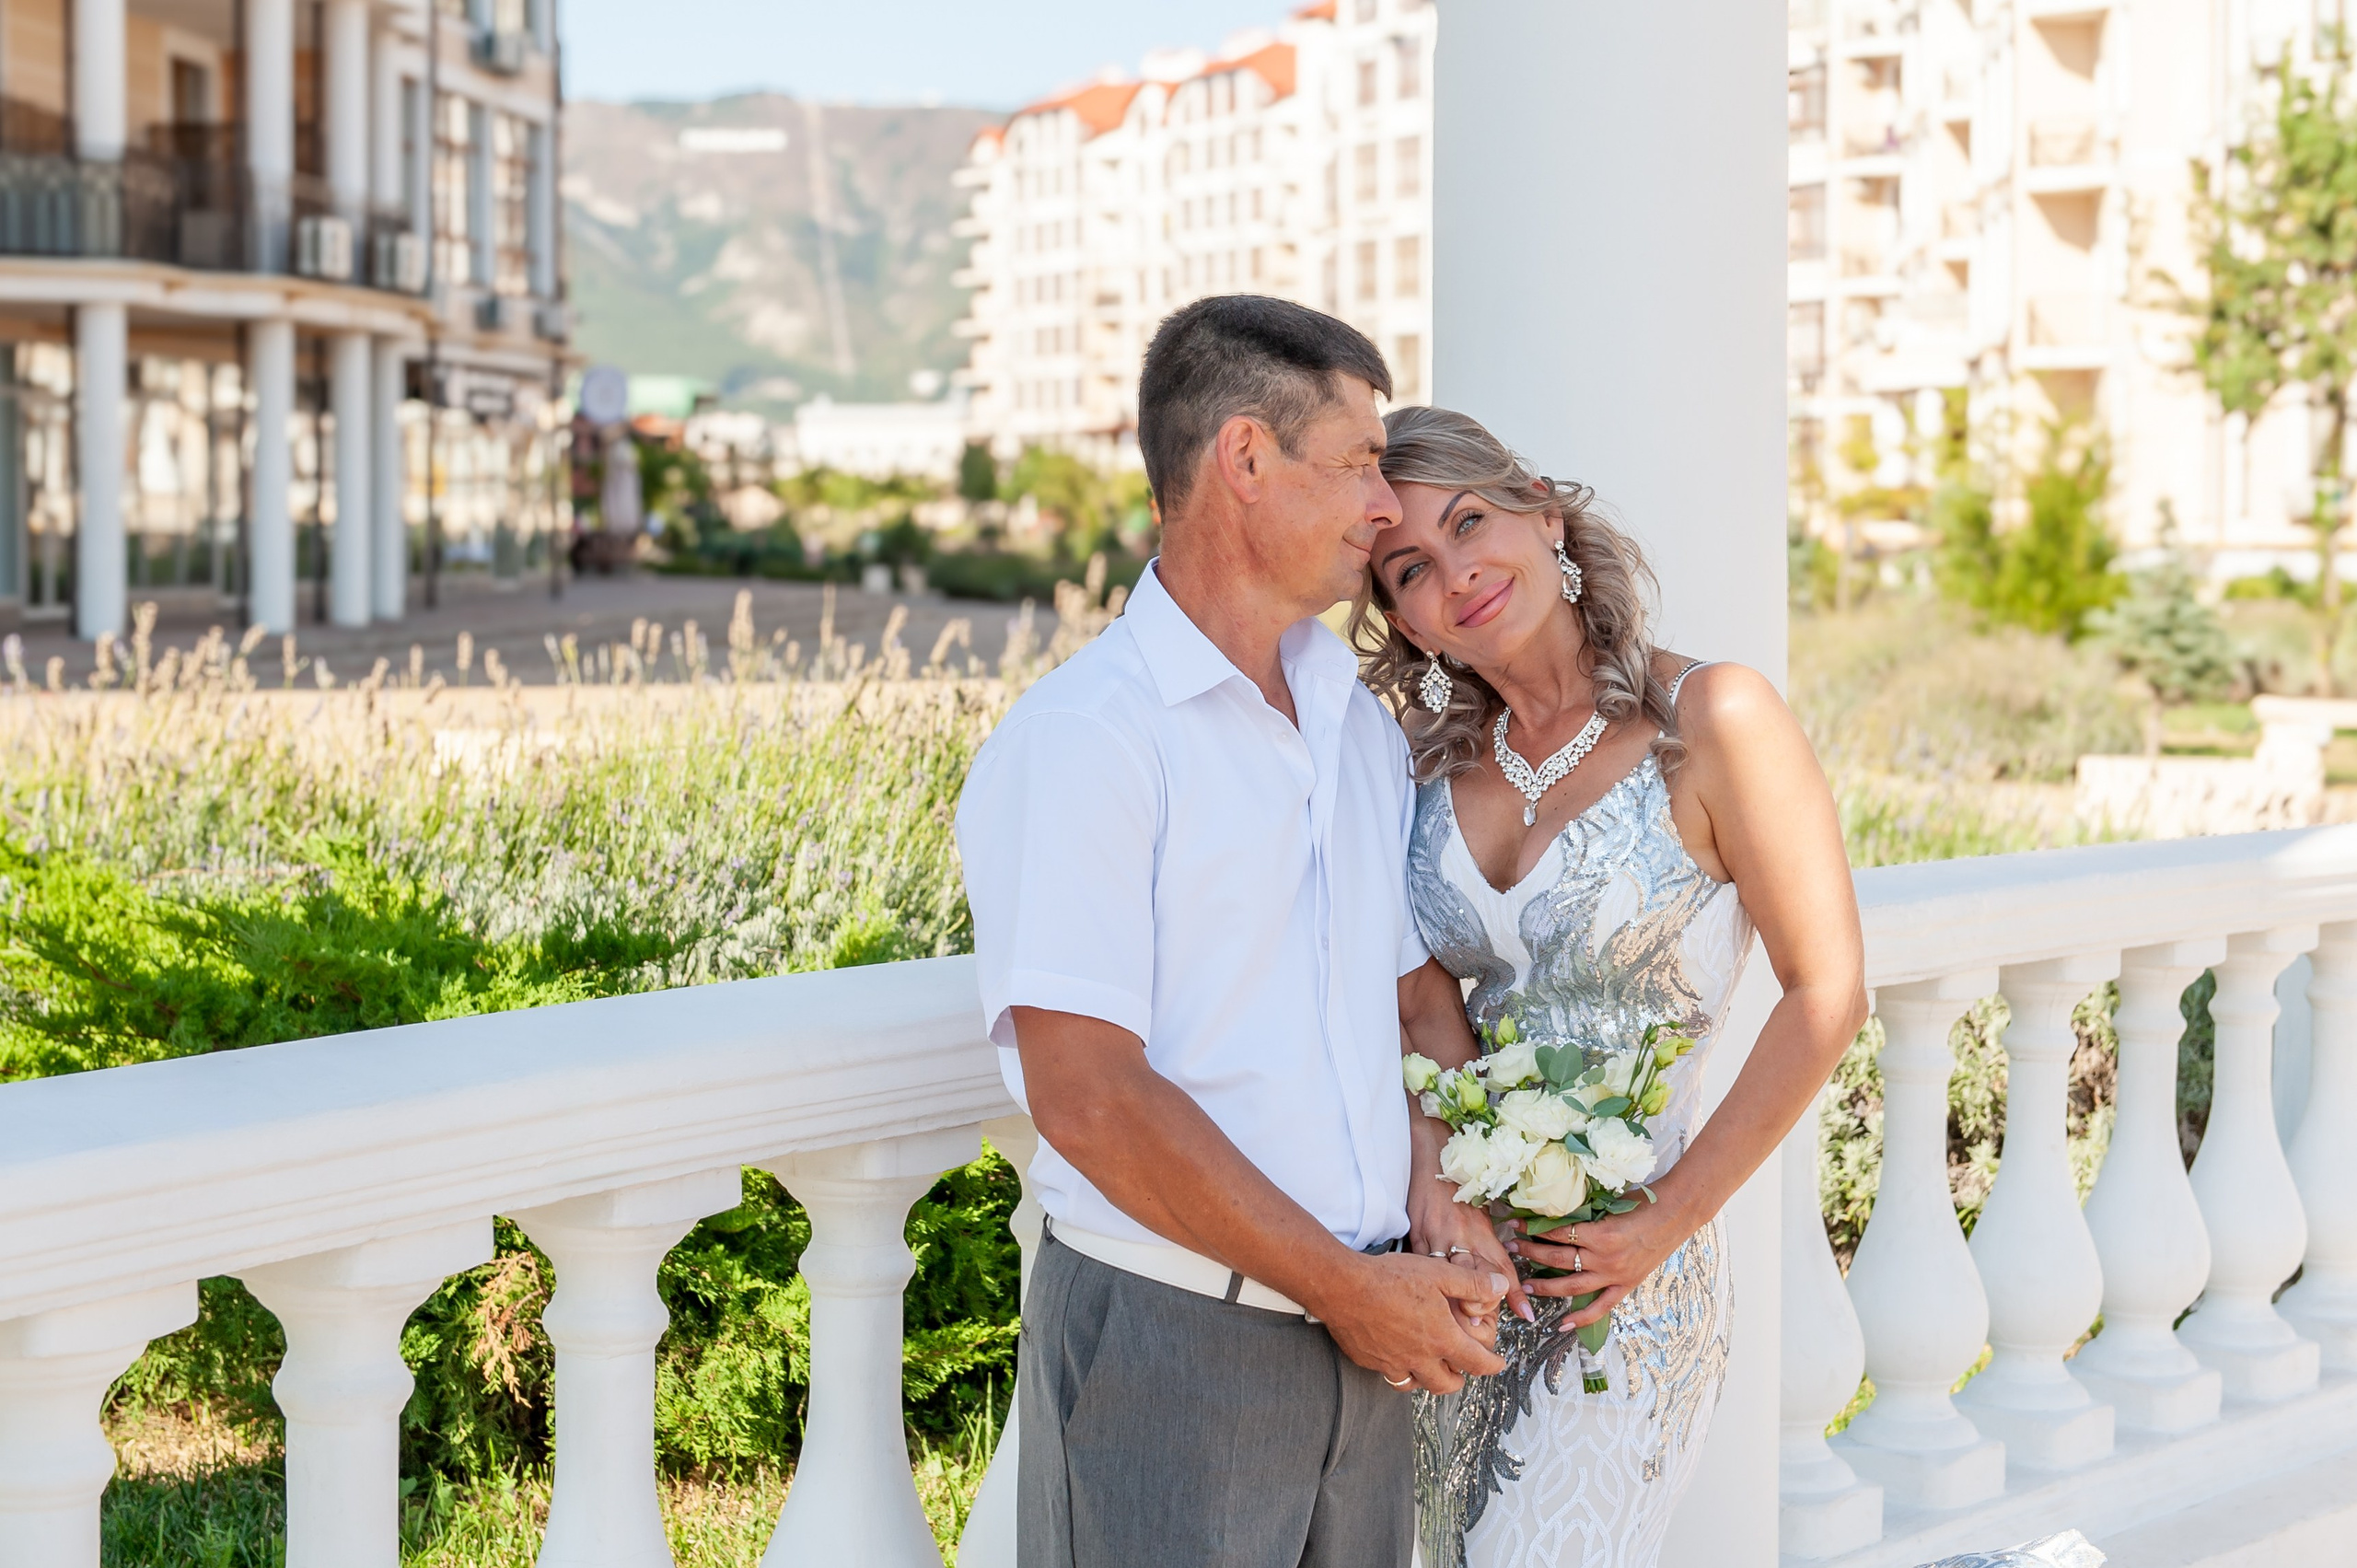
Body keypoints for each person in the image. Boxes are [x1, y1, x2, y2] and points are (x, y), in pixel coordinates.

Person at [957, 297, 1521, 1568]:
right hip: (1177, 1342)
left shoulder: (1352, 719)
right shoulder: (1090, 740)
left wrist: (1438, 1171)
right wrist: (1343, 1284)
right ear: (1246, 459)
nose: (1386, 505)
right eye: (1359, 461)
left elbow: (1413, 998)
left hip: (1369, 1341)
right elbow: (1087, 1093)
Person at [1351, 406, 1866, 1568]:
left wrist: (1663, 1221)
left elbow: (1827, 989)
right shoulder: (1416, 769)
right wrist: (1442, 1177)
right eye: (1410, 570)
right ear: (1405, 622)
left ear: (1543, 510)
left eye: (1472, 520)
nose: (1458, 573)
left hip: (1623, 1292)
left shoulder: (1714, 719)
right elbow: (1423, 1009)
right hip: (1450, 1278)